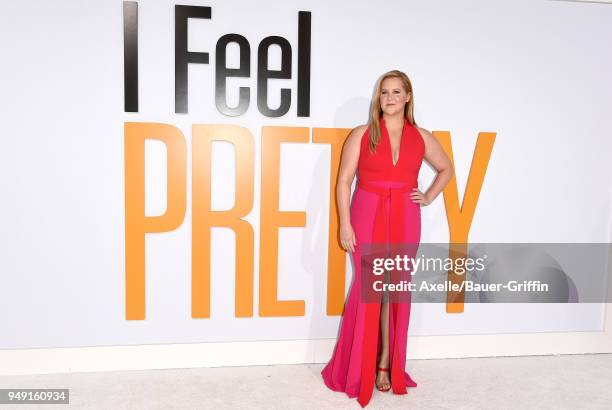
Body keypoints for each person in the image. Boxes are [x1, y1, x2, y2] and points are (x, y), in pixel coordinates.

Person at [321, 70, 453, 407]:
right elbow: (344, 182)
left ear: (408, 96)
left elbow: (446, 169)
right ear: (378, 98)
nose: (390, 98)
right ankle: (359, 368)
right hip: (367, 214)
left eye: (396, 92)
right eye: (384, 92)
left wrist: (428, 195)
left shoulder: (421, 136)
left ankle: (385, 365)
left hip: (405, 218)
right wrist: (344, 225)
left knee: (396, 290)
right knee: (371, 289)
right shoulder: (362, 134)